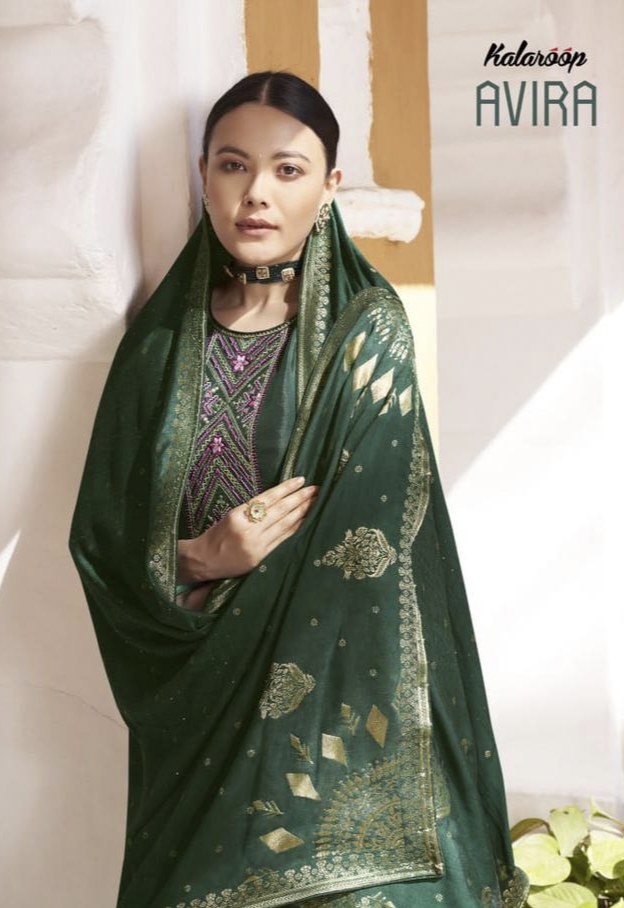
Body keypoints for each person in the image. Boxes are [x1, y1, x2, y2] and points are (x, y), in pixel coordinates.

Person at [70, 71, 528, 908]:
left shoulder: (367, 335)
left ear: (329, 187)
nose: (256, 193)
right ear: (203, 176)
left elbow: (365, 553)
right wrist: (199, 557)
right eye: (232, 165)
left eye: (288, 170)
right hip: (195, 740)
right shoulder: (157, 349)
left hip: (342, 736)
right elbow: (102, 543)